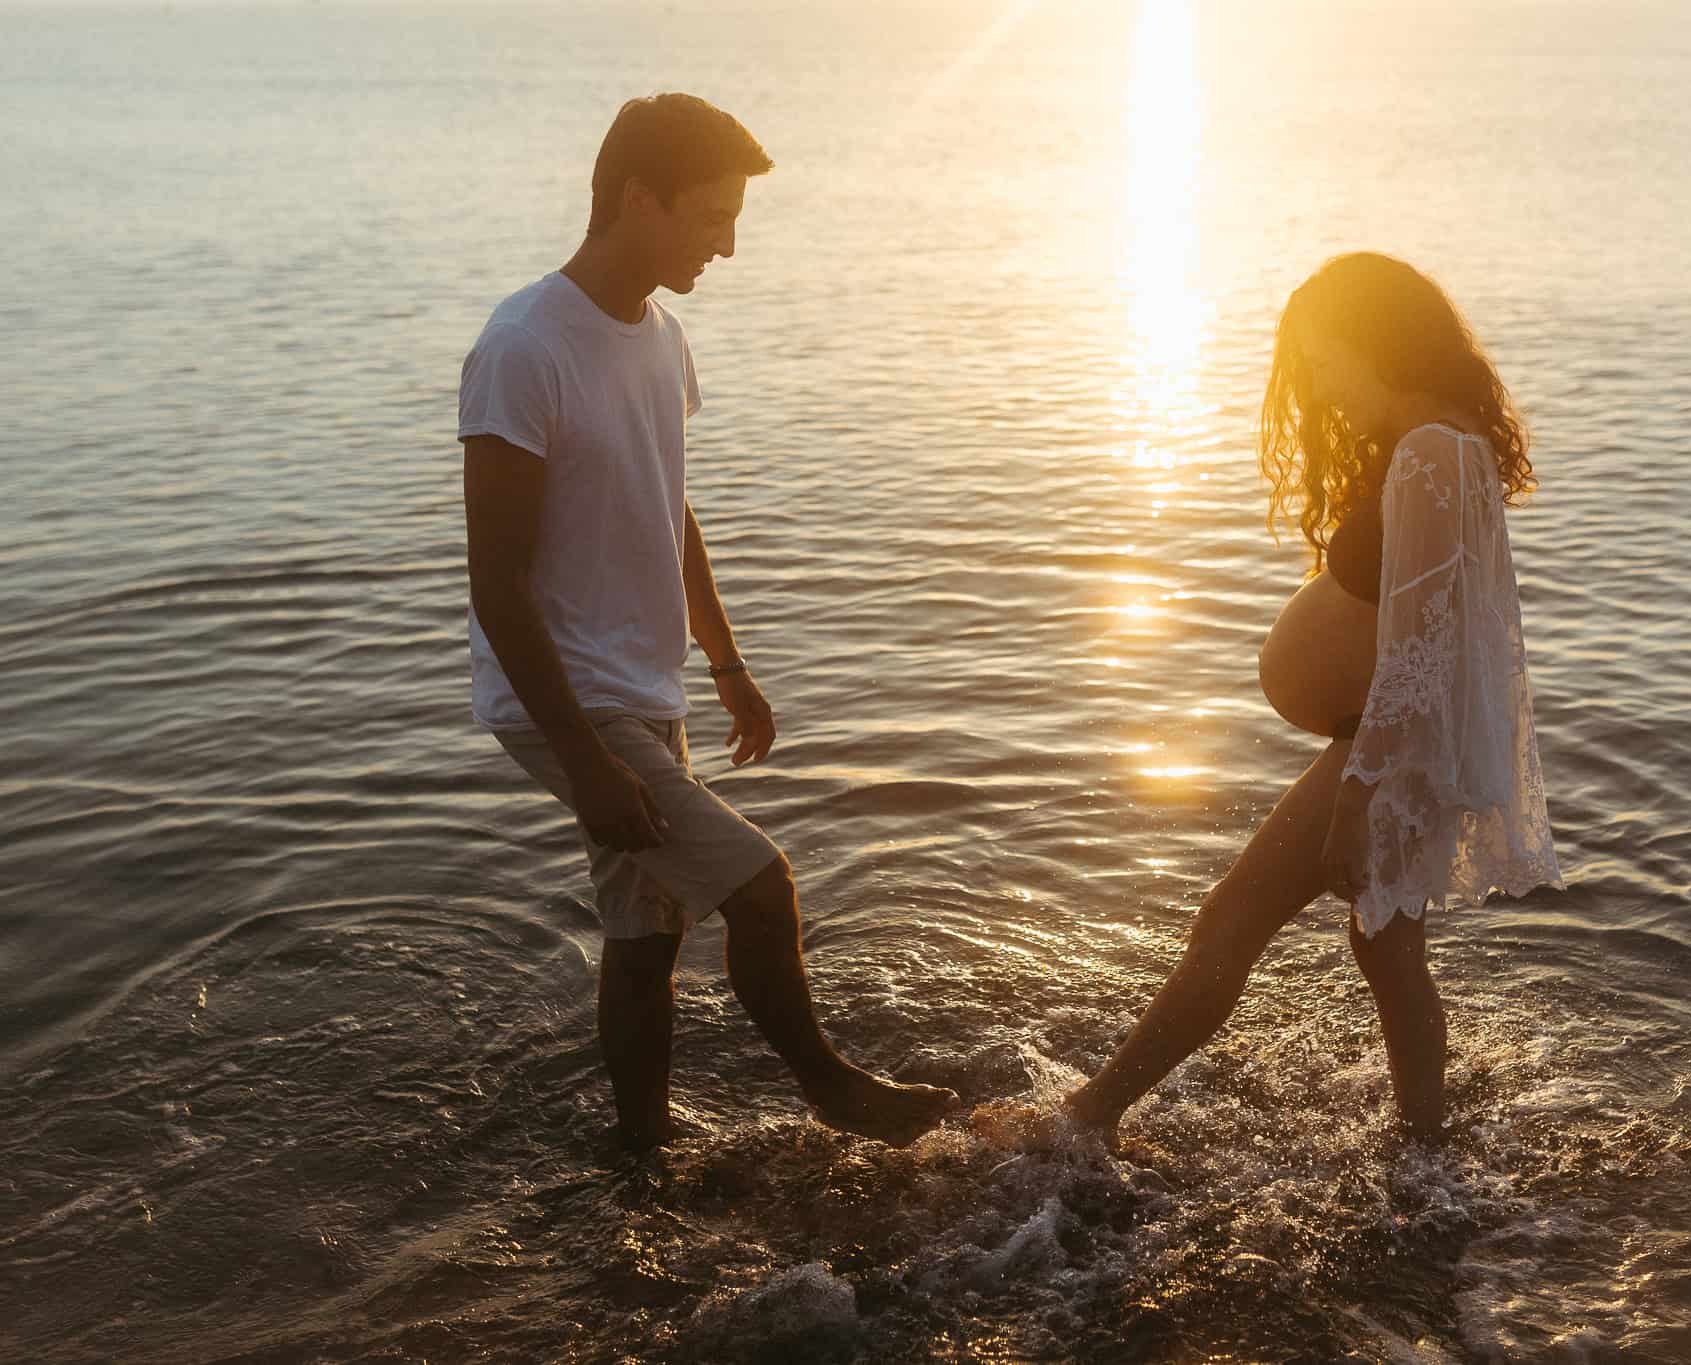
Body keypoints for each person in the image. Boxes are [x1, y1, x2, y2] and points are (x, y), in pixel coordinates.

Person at [458, 94, 957, 1152]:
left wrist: (724, 661)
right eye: (710, 217)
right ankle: (832, 1090)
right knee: (761, 889)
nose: (727, 245)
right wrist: (586, 758)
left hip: (642, 686)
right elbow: (495, 580)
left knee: (644, 938)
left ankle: (638, 1159)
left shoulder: (662, 338)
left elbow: (665, 503)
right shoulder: (521, 348)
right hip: (572, 702)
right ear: (638, 198)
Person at [1062, 253, 1564, 1139]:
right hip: (1395, 743)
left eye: (1326, 362)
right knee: (1385, 949)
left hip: (1387, 749)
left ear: (1376, 342)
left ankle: (1090, 1115)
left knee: (1230, 920)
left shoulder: (1430, 455)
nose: (1322, 391)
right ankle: (1425, 1153)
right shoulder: (1444, 442)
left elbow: (1419, 651)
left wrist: (1359, 793)